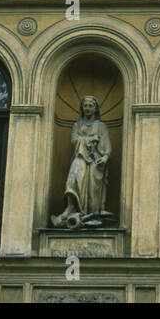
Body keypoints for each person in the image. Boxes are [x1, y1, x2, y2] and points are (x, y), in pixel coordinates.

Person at [52, 95, 112, 228]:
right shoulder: (77, 125)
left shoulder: (101, 126)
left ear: (96, 109)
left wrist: (105, 157)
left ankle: (90, 214)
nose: (88, 108)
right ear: (82, 108)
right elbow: (74, 140)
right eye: (86, 106)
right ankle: (70, 208)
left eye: (91, 106)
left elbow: (107, 145)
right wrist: (90, 140)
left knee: (93, 188)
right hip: (80, 157)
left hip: (96, 161)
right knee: (73, 179)